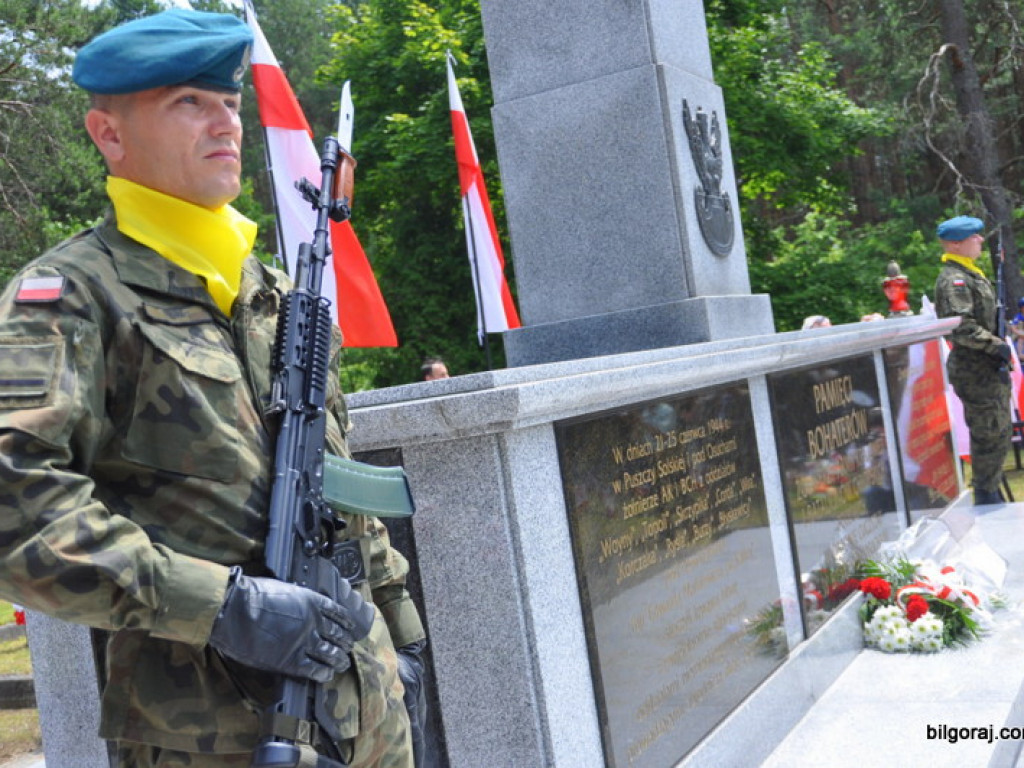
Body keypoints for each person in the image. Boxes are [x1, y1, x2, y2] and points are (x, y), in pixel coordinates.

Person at [0, 10, 425, 768]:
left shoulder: (277, 294)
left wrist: (404, 636)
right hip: (215, 736)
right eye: (187, 103)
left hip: (364, 704)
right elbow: (17, 508)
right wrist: (224, 606)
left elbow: (342, 491)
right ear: (110, 135)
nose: (224, 122)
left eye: (229, 103)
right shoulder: (70, 296)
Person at [933, 215, 1013, 506]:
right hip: (975, 370)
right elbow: (961, 326)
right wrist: (997, 346)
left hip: (987, 368)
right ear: (955, 243)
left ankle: (989, 490)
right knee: (989, 432)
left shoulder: (971, 274)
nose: (980, 240)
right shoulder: (955, 280)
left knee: (1000, 431)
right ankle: (986, 495)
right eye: (973, 237)